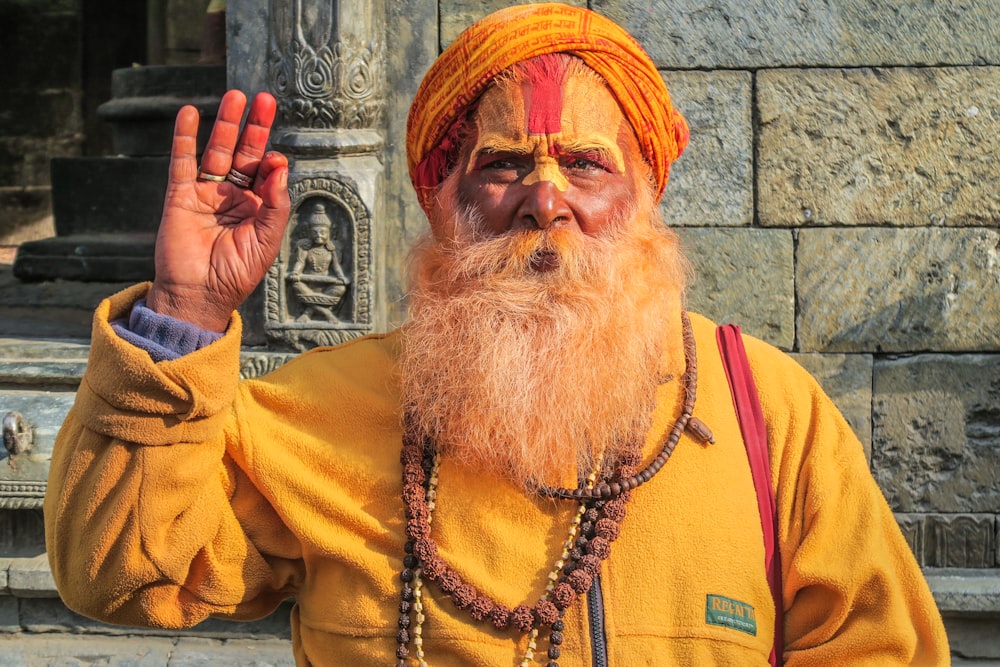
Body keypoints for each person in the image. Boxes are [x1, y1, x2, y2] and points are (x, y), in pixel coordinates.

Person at [44, 4, 949, 666]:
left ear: (645, 197)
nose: (543, 198)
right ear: (445, 201)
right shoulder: (321, 411)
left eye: (586, 164)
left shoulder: (769, 412)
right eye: (503, 164)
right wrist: (186, 307)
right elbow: (122, 575)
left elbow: (886, 650)